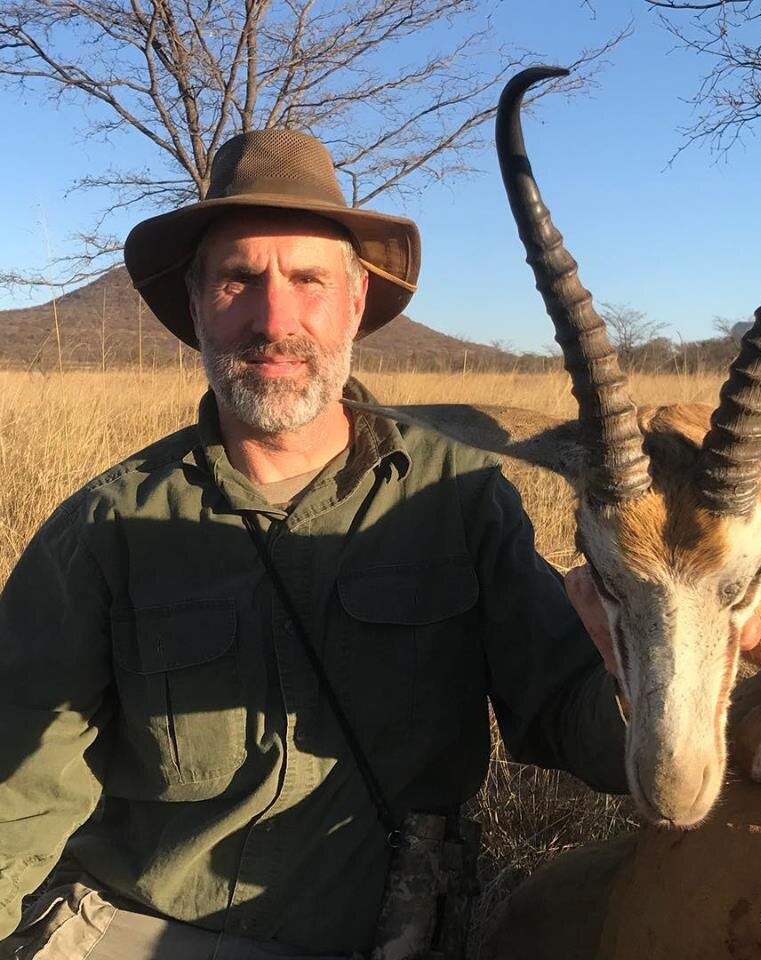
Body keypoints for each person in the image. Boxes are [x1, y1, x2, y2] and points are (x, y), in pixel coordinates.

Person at [0, 128, 630, 960]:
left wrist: (648, 671)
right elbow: (19, 791)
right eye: (237, 280)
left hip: (386, 935)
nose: (274, 319)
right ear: (194, 306)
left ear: (356, 300)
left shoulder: (460, 498)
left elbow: (572, 718)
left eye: (308, 280)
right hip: (143, 927)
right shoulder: (99, 530)